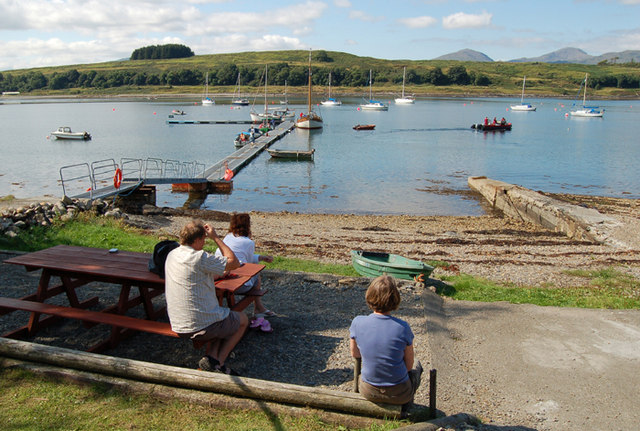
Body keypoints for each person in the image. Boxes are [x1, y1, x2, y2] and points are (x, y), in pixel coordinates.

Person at [164, 219, 246, 375]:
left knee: (222, 315)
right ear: (196, 240)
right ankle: (220, 363)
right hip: (198, 325)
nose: (204, 243)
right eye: (203, 239)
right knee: (242, 320)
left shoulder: (172, 254)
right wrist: (215, 237)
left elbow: (196, 274)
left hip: (177, 321)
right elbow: (234, 262)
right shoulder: (200, 257)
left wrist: (217, 273)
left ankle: (211, 359)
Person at [349, 275, 423, 406]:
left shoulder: (357, 323)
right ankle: (408, 406)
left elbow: (355, 354)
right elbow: (409, 365)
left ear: (369, 296)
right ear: (395, 299)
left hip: (368, 391)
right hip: (399, 393)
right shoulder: (403, 327)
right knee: (417, 366)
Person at [215, 213, 274, 317]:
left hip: (219, 279)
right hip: (238, 286)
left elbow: (242, 257)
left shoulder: (227, 237)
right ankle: (258, 307)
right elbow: (249, 264)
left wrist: (261, 257)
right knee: (256, 275)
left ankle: (258, 308)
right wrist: (260, 257)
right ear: (248, 226)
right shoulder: (248, 242)